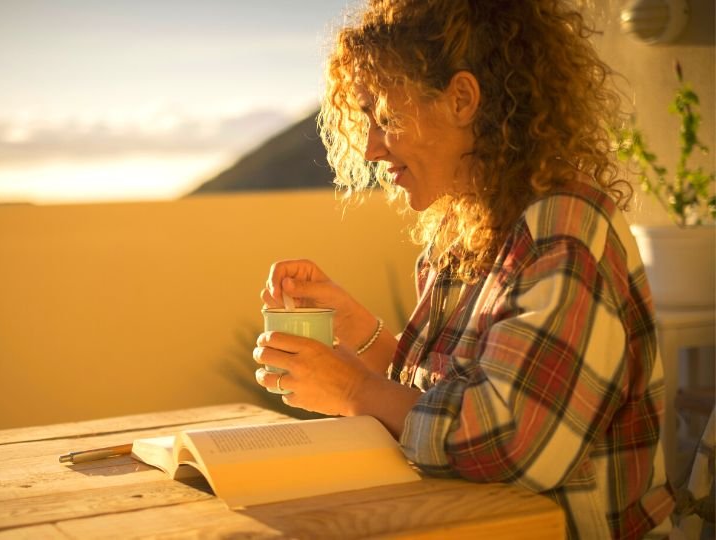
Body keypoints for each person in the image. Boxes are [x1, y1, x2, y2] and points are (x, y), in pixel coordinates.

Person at [253, 0, 675, 537]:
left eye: (385, 117)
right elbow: (438, 401)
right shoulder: (462, 232)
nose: (370, 147)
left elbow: (511, 440)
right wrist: (358, 328)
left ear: (461, 100)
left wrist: (355, 390)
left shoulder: (563, 231)